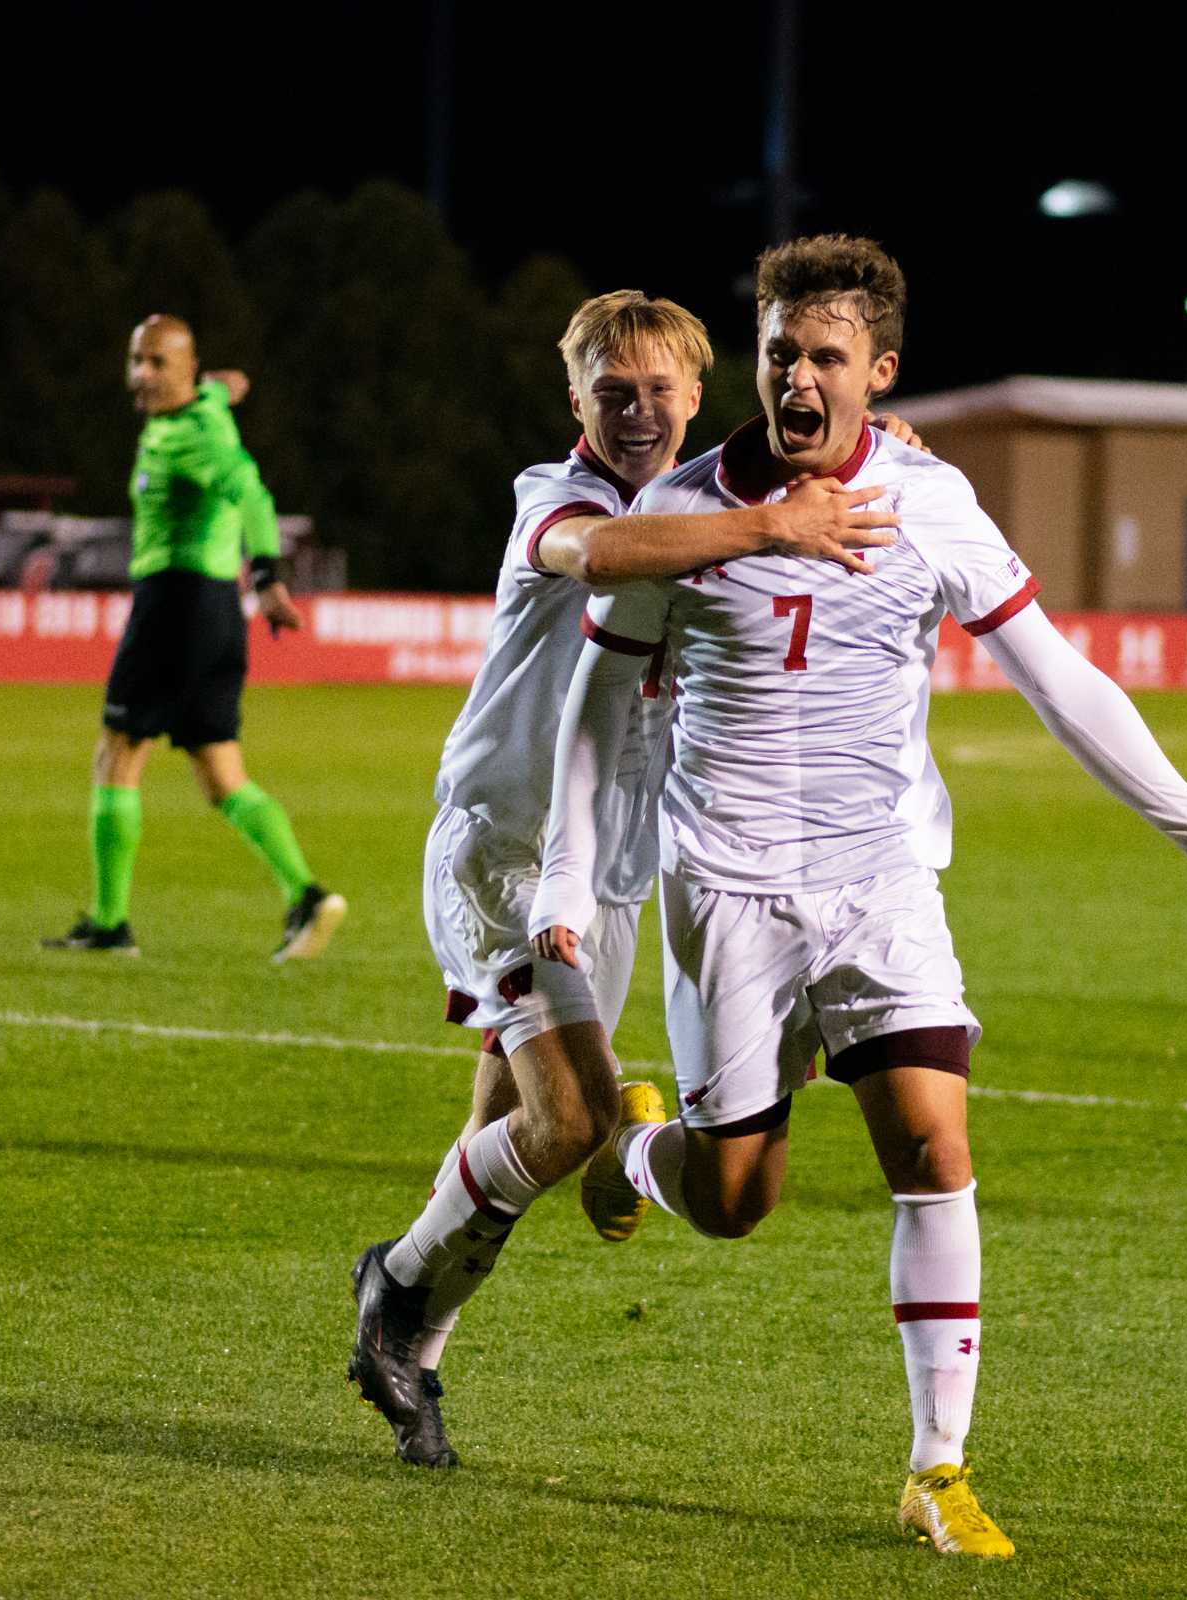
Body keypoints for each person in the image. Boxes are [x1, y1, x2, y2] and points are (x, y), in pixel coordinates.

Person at [528, 237, 1187, 1560]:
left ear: (879, 372)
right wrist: (562, 876)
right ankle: (635, 1154)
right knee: (738, 1198)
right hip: (729, 890)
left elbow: (1059, 676)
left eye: (824, 355)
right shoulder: (690, 514)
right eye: (780, 349)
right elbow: (598, 714)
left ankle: (936, 1470)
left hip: (883, 883)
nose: (796, 376)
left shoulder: (933, 506)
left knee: (935, 1152)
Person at [347, 290, 913, 1470]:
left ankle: (419, 1347)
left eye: (661, 389)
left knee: (510, 1126)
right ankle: (395, 1290)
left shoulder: (714, 500)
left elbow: (814, 495)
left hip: (609, 870)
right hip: (509, 855)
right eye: (614, 391)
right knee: (577, 1117)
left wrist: (881, 454)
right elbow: (601, 556)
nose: (640, 411)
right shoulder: (560, 500)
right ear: (577, 402)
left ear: (698, 394)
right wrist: (770, 528)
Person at [41, 314, 343, 961]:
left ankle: (109, 922)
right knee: (220, 774)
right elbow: (224, 385)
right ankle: (307, 894)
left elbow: (252, 494)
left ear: (183, 368)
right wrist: (223, 385)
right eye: (136, 360)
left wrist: (266, 578)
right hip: (211, 613)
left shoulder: (191, 437)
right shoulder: (202, 404)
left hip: (174, 605)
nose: (141, 374)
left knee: (117, 753)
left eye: (156, 362)